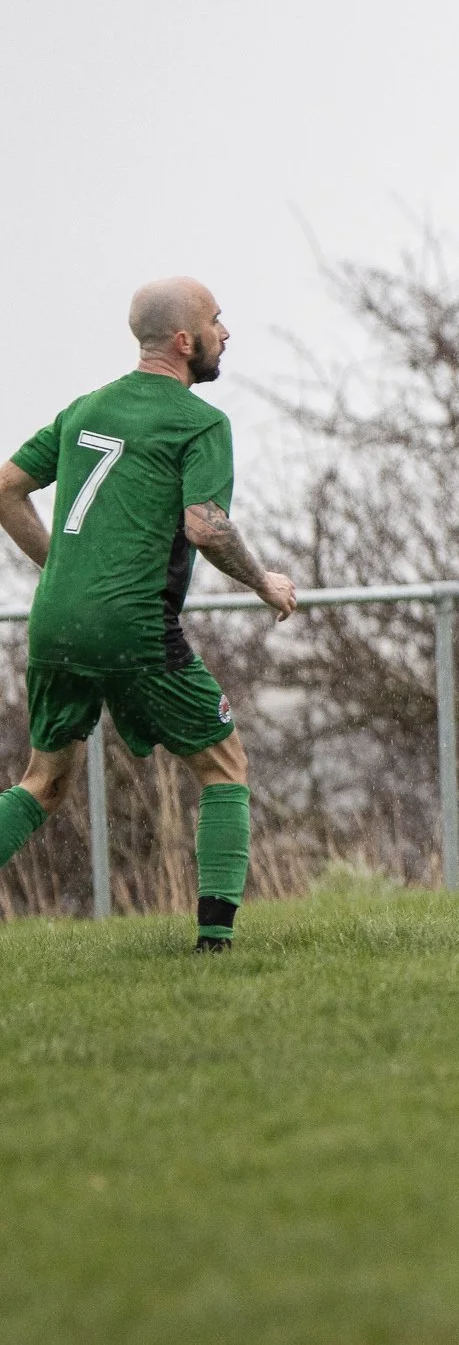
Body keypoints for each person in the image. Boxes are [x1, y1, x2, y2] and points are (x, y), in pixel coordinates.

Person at [0, 279, 298, 948]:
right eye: (218, 322)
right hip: (133, 626)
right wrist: (264, 583)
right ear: (185, 342)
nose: (228, 333)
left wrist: (63, 570)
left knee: (43, 783)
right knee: (224, 766)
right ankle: (216, 944)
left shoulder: (84, 410)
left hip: (54, 622)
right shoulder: (199, 422)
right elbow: (206, 527)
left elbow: (5, 490)